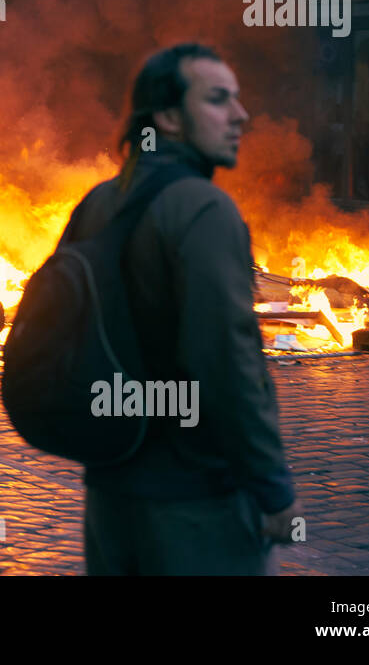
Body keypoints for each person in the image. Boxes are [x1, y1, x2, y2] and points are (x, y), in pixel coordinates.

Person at [64, 43, 300, 575]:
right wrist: (273, 488)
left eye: (237, 99)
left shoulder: (97, 201)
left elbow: (68, 333)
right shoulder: (205, 207)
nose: (241, 115)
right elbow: (229, 360)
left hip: (110, 496)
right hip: (197, 505)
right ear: (168, 117)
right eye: (219, 100)